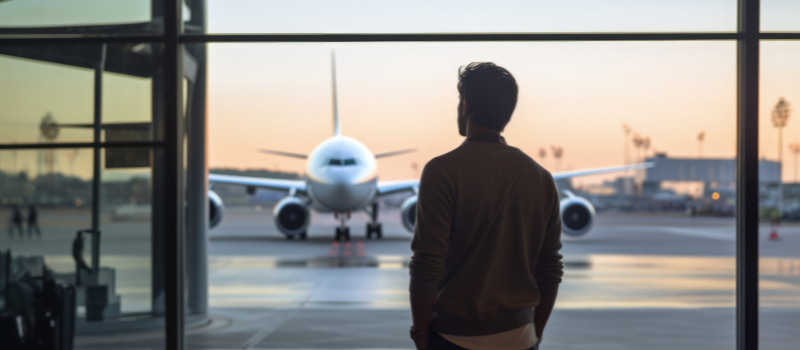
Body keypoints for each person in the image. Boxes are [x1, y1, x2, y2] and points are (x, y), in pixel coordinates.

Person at [409, 63, 564, 350]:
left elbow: (426, 264)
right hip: (521, 335)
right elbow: (549, 268)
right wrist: (535, 333)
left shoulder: (442, 170)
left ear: (466, 105)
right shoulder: (541, 177)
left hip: (454, 336)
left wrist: (420, 334)